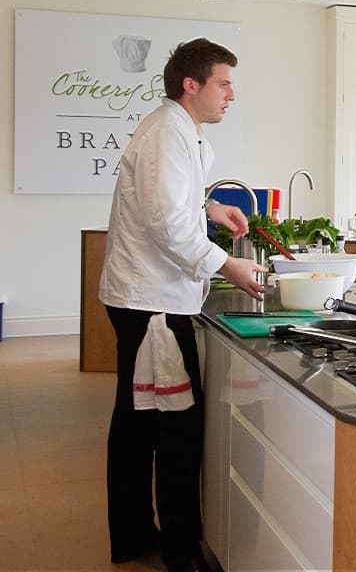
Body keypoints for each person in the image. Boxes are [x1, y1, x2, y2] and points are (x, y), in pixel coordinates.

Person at [98, 38, 266, 570]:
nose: (231, 95)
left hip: (149, 297)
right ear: (191, 85)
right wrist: (227, 264)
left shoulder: (177, 130)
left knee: (140, 422)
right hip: (154, 304)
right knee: (174, 427)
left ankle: (132, 536)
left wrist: (211, 207)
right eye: (224, 83)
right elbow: (167, 224)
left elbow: (172, 201)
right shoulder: (168, 133)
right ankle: (180, 551)